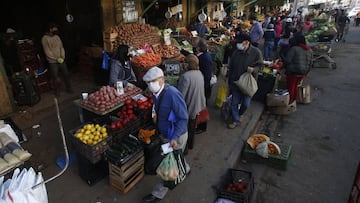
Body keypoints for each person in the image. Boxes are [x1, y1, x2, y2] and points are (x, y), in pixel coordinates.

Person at [142, 67, 190, 203]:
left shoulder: (172, 94)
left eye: (153, 81)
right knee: (176, 157)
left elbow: (183, 118)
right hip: (166, 134)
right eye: (148, 82)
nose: (150, 84)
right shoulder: (156, 93)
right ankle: (185, 168)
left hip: (176, 136)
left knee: (168, 167)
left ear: (162, 80)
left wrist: (174, 138)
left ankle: (157, 194)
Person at [227, 34, 263, 129]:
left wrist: (254, 69)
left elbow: (261, 66)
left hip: (248, 84)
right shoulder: (236, 52)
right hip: (236, 81)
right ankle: (235, 120)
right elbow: (231, 66)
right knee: (234, 103)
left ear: (246, 43)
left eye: (240, 43)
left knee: (246, 104)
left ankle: (240, 114)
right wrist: (228, 77)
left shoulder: (256, 52)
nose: (238, 45)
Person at [177, 54, 206, 154]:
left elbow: (180, 96)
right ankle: (191, 144)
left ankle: (184, 149)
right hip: (197, 104)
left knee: (185, 128)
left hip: (189, 106)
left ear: (188, 64)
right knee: (192, 125)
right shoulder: (199, 73)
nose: (183, 64)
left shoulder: (185, 77)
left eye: (184, 62)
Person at [41, 23, 72, 96]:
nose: (56, 29)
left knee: (66, 74)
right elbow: (47, 51)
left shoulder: (57, 37)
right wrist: (56, 58)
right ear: (50, 29)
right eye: (55, 28)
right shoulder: (45, 38)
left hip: (61, 59)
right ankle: (57, 92)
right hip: (52, 62)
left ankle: (69, 88)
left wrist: (62, 56)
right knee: (55, 77)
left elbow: (61, 47)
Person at [284, 35, 313, 104]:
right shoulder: (310, 50)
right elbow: (311, 63)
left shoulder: (294, 49)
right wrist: (306, 72)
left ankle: (290, 101)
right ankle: (294, 100)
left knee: (291, 86)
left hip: (293, 71)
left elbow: (288, 60)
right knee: (296, 86)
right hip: (303, 71)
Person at [194, 38, 212, 134]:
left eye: (196, 47)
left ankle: (202, 127)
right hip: (204, 84)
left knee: (201, 106)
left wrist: (203, 86)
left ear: (199, 48)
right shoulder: (204, 55)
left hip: (203, 85)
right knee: (202, 105)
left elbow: (206, 74)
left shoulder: (203, 58)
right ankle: (201, 125)